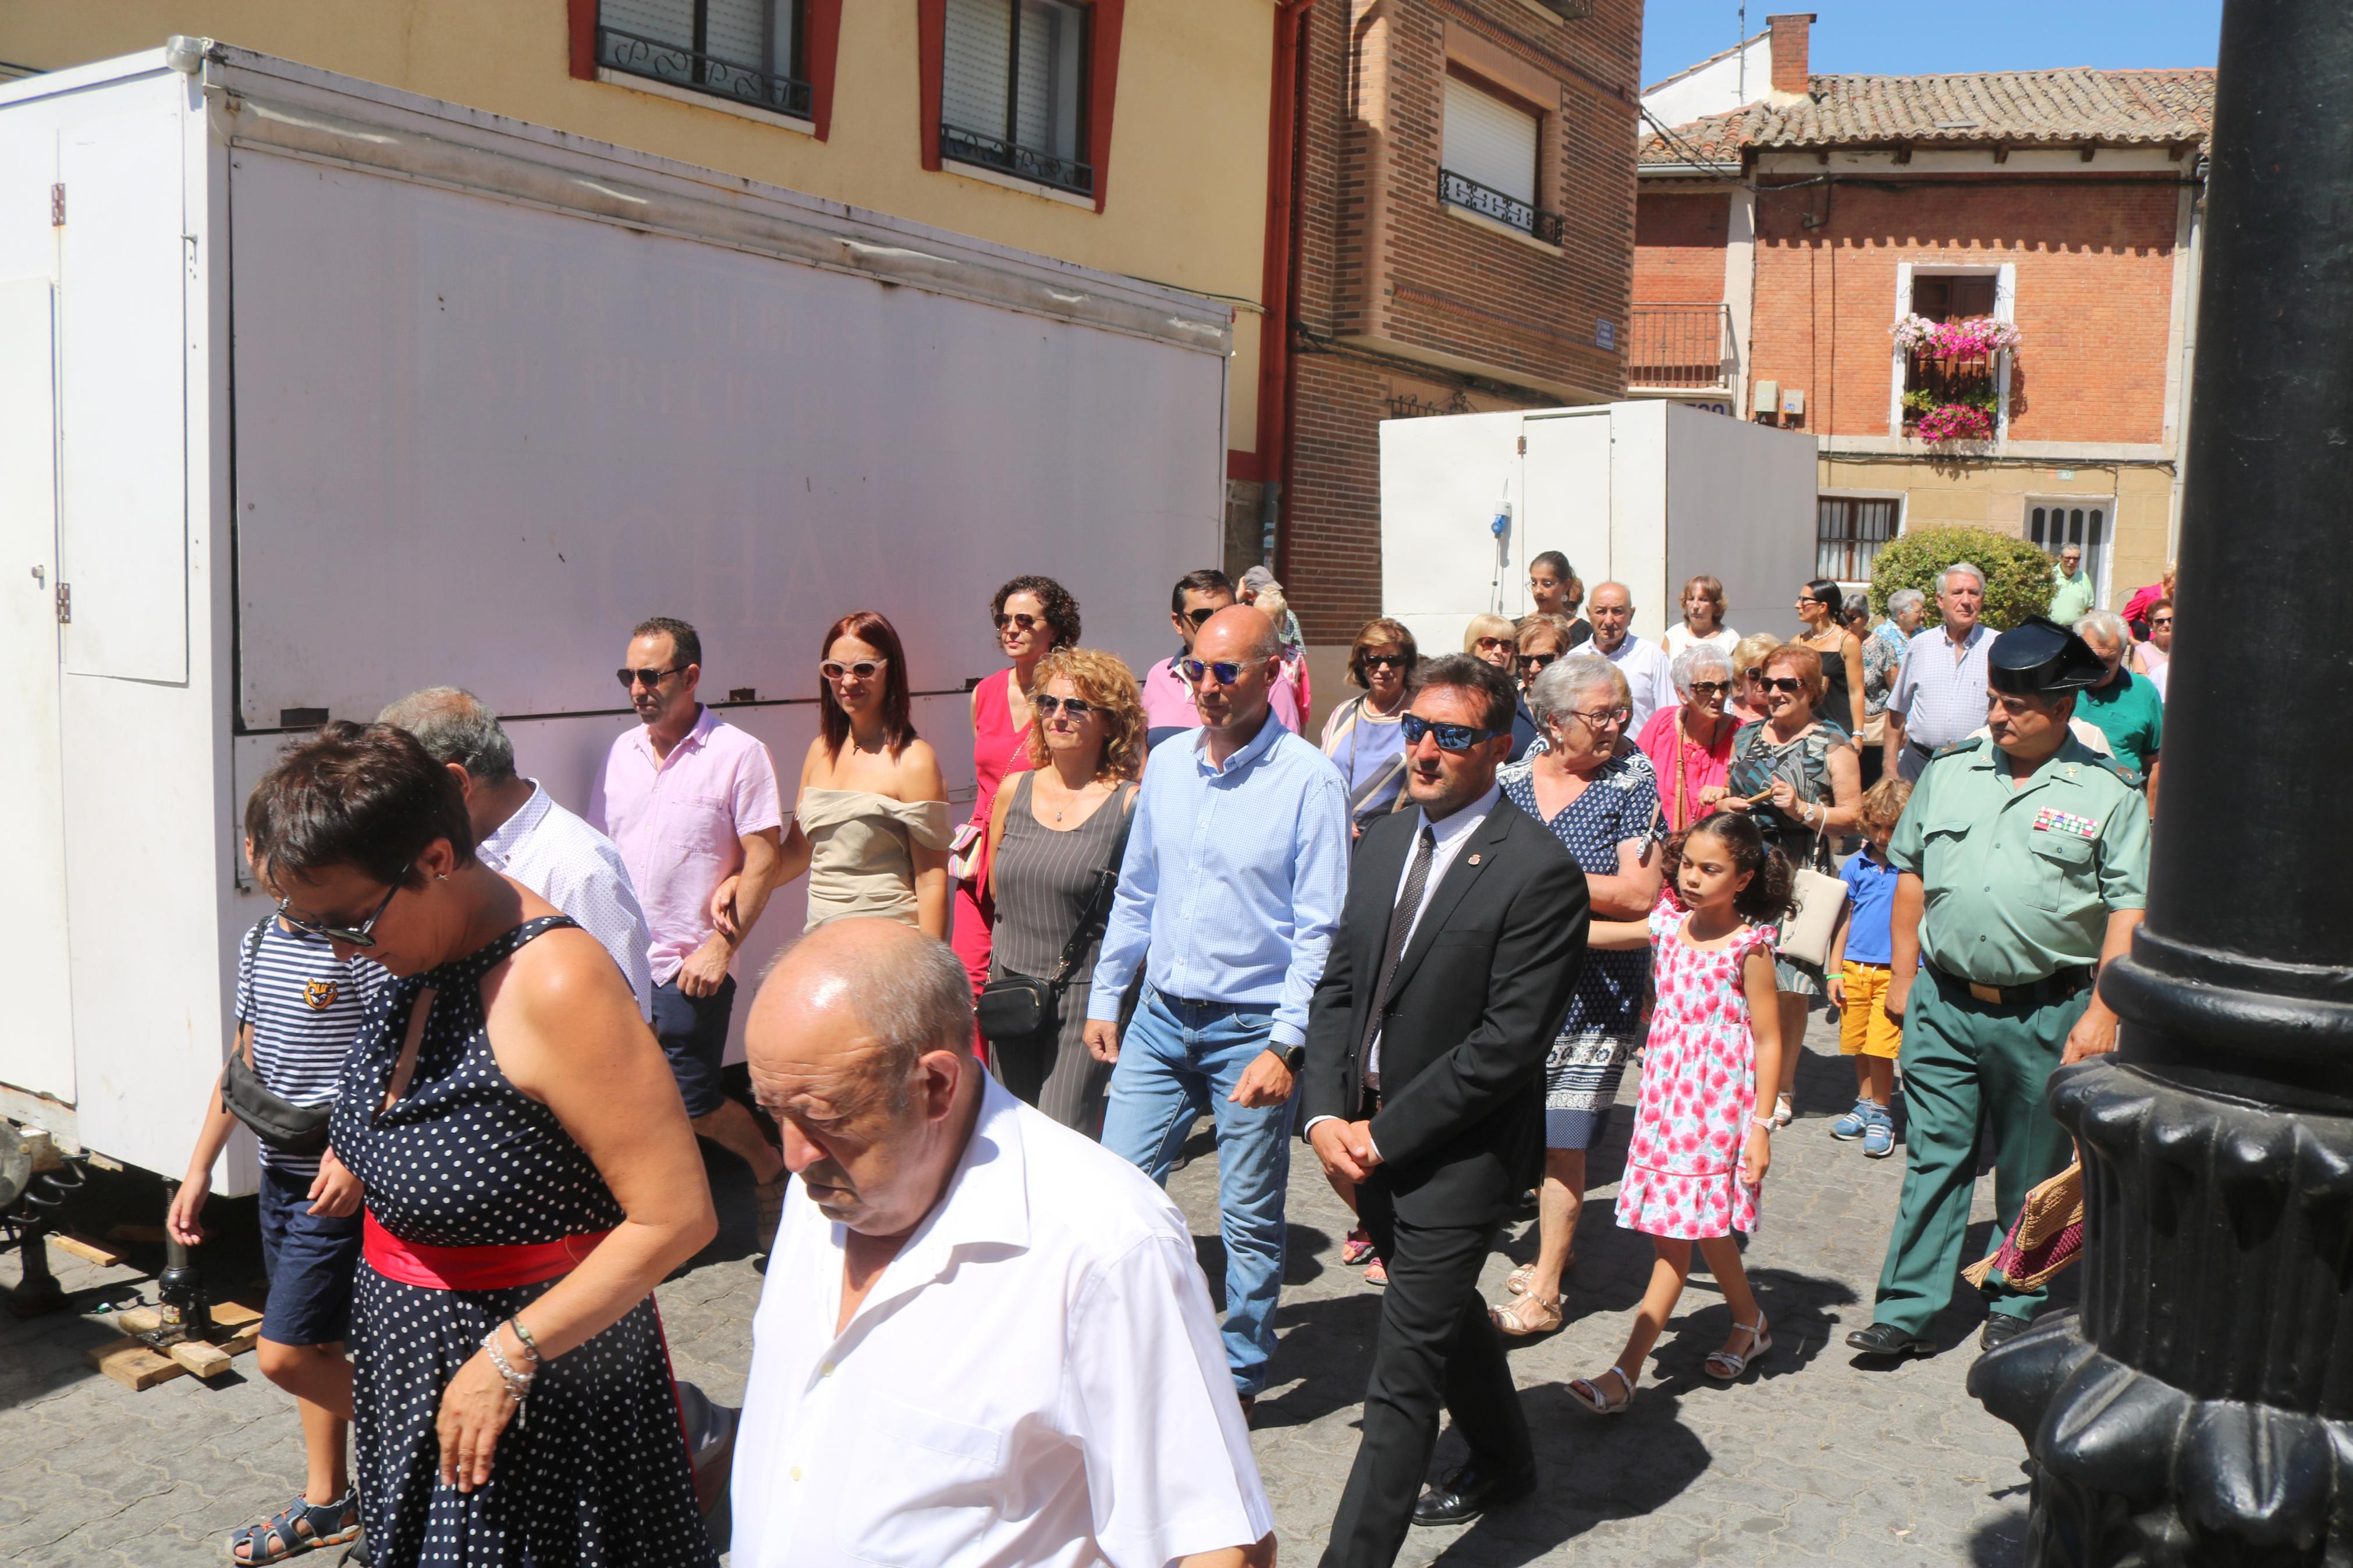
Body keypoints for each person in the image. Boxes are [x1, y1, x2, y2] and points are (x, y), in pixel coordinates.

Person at [253, 723, 718, 1567]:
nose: (338, 949)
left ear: (435, 858)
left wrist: (507, 1353)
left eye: (350, 922)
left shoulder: (555, 981)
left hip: (543, 1407)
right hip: (422, 1380)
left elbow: (679, 1216)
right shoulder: (419, 948)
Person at [730, 920, 1275, 1567]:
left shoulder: (1105, 1247)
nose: (792, 1156)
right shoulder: (821, 1182)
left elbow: (1217, 1543)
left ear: (934, 1086)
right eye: (772, 1111)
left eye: (823, 1116)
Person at [1300, 653, 1588, 1555]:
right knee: (1444, 1313)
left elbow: (1505, 1043)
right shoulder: (1385, 838)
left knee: (1400, 1376)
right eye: (1416, 730)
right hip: (1357, 1135)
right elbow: (1338, 986)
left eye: (1450, 735)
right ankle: (1506, 1459)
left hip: (1456, 1156)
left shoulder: (1538, 871)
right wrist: (1320, 1116)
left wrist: (1382, 1136)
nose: (1423, 749)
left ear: (1498, 746)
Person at [1847, 618, 2150, 1360]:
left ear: (2061, 706)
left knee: (2032, 1167)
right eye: (1992, 699)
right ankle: (1907, 1307)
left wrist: (2102, 1013)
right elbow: (1910, 873)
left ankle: (2017, 1299)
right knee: (1934, 1158)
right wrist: (1904, 977)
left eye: (2014, 705)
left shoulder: (2107, 792)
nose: (1995, 716)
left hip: (2048, 1011)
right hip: (1943, 1004)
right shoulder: (1949, 772)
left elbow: (2128, 910)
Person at [1085, 605, 1351, 1405]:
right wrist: (1109, 994)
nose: (1204, 685)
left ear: (1273, 672)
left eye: (1224, 670)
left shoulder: (1310, 780)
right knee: (1115, 1187)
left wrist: (1287, 1042)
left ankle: (1237, 1369)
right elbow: (1136, 891)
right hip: (1161, 1016)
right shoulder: (1165, 764)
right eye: (1191, 667)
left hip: (1250, 1026)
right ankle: (1125, 1343)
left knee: (1245, 1209)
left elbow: (1319, 928)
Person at [169, 895, 381, 1565]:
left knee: (282, 1353)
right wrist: (198, 1170)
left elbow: (395, 1054)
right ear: (258, 854)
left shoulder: (354, 945)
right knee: (317, 1341)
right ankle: (330, 1502)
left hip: (335, 1183)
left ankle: (448, 1439)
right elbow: (241, 1063)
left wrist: (354, 1148)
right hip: (280, 1176)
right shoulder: (261, 938)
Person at [1565, 813, 1790, 1413]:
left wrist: (1761, 1129)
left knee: (1674, 1242)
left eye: (1709, 869)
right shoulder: (1667, 923)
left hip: (1717, 1112)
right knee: (1706, 1224)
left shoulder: (1749, 948)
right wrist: (1526, 917)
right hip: (1665, 1103)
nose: (1691, 878)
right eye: (1687, 863)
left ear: (1741, 879)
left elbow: (1768, 1041)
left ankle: (1624, 1371)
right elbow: (1594, 935)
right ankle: (1749, 1320)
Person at [591, 616, 789, 1232]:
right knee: (628, 1105)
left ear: (692, 676)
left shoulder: (738, 753)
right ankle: (665, 1223)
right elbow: (601, 851)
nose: (637, 688)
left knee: (692, 1102)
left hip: (687, 964)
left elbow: (764, 856)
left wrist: (720, 947)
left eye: (651, 675)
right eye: (629, 675)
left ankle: (766, 1164)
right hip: (619, 962)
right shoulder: (621, 751)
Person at [1488, 656, 1663, 1339]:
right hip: (1509, 988)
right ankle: (1538, 1254)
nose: (1617, 725)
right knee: (1515, 1127)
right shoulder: (1507, 774)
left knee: (1565, 1138)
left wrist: (1534, 884)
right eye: (1600, 714)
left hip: (1594, 992)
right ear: (1552, 720)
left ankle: (1550, 1290)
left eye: (1621, 711)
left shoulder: (1631, 774)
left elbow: (1638, 893)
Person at [380, 687, 654, 1019]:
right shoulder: (456, 851)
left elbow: (624, 1030)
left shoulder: (581, 872)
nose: (395, 817)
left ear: (456, 785)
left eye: (402, 797)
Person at [984, 646, 1147, 1132]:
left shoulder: (1130, 805)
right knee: (1008, 1132)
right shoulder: (1014, 790)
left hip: (1085, 998)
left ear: (1109, 720)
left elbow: (1137, 914)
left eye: (1076, 705)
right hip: (1010, 986)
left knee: (1060, 1134)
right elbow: (997, 890)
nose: (1058, 715)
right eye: (1048, 703)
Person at [1723, 644, 1862, 1128]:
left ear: (1813, 691)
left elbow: (1853, 816)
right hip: (1744, 867)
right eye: (1767, 681)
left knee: (1787, 986)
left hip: (1800, 873)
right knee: (1739, 976)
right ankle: (1743, 1077)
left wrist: (1803, 809)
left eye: (1788, 684)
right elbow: (1732, 791)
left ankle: (1781, 1087)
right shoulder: (1745, 737)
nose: (1774, 692)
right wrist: (1726, 803)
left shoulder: (1831, 743)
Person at [776, 612, 954, 937]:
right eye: (835, 670)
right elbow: (796, 853)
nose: (847, 682)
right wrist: (740, 884)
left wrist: (931, 979)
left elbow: (931, 882)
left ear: (891, 672)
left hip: (888, 950)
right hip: (821, 946)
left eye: (864, 670)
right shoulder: (820, 750)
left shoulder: (914, 761)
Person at [950, 575, 1080, 1004]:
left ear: (1056, 629)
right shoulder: (984, 692)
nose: (1011, 629)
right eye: (1004, 620)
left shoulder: (1069, 699)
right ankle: (972, 1072)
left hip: (1037, 855)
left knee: (1021, 985)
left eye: (1025, 620)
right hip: (981, 855)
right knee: (967, 985)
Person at [1825, 777, 1913, 1159]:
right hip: (1853, 969)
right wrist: (1834, 970)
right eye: (1876, 826)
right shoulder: (1856, 866)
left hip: (1892, 973)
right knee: (1858, 1042)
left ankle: (1882, 1110)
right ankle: (1865, 1102)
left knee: (1881, 1046)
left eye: (1893, 828)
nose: (1882, 836)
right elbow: (1842, 919)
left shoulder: (1913, 869)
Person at [1142, 568, 1302, 746]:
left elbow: (1286, 752)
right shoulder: (1159, 676)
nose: (1215, 623)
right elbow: (1143, 754)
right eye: (1201, 616)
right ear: (1178, 623)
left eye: (1224, 614)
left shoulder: (1263, 679)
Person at [1884, 563, 1994, 783]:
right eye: (1957, 593)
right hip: (1918, 763)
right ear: (1940, 600)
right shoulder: (1920, 646)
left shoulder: (1997, 646)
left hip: (1976, 765)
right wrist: (1889, 767)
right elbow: (1897, 711)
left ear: (1981, 600)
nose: (1966, 601)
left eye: (1973, 593)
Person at [1320, 618, 1418, 839]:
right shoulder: (1343, 714)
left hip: (1397, 841)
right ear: (1361, 664)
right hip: (1338, 836)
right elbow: (1323, 777)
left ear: (1407, 664)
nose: (1383, 669)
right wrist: (1339, 817)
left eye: (1394, 660)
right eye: (1373, 660)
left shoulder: (1420, 716)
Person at [1637, 644, 1741, 833]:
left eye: (1724, 687)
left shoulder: (1741, 735)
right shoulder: (1661, 724)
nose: (1718, 696)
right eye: (1706, 688)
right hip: (1658, 846)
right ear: (1682, 693)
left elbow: (1749, 792)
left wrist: (1726, 794)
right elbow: (1633, 777)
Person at [2072, 609, 2164, 801]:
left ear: (2123, 652)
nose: (2099, 667)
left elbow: (2155, 762)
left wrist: (2149, 816)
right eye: (2092, 658)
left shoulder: (2144, 692)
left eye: (2108, 660)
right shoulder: (2058, 686)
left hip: (2120, 803)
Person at [1587, 582, 1677, 732]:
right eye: (1601, 612)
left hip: (1639, 753)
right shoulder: (1575, 659)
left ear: (1631, 614)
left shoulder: (1652, 657)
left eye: (1617, 612)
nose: (1609, 621)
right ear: (1589, 614)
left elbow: (1669, 719)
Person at [1862, 591, 1927, 789]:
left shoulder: (1923, 634)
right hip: (1892, 717)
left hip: (1920, 713)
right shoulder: (1881, 637)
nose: (1924, 615)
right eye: (1919, 611)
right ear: (1902, 614)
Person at [1794, 577, 1866, 744]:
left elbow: (1856, 691)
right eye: (1799, 600)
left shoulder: (1847, 642)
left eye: (1805, 601)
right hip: (1804, 731)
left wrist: (1857, 734)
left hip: (1839, 731)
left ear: (1823, 607)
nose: (1798, 605)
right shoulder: (1797, 642)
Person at [1241, 565, 1314, 720]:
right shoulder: (1244, 655)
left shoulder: (1295, 660)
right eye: (1261, 620)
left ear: (1284, 622)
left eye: (1273, 622)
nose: (1267, 627)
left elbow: (1303, 707)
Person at [1466, 614, 1539, 761]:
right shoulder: (1460, 689)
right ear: (1473, 646)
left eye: (1506, 645)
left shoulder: (1518, 696)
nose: (1499, 651)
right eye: (1489, 643)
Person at [1661, 574, 1740, 660]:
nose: (1695, 606)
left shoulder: (1730, 639)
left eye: (1703, 600)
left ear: (1716, 605)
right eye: (1691, 599)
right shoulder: (1674, 635)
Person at [1525, 550, 1592, 646]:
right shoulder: (1519, 628)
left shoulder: (1585, 635)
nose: (1538, 590)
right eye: (1534, 583)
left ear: (1565, 586)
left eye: (1547, 584)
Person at [1727, 632, 1783, 727]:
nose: (1763, 680)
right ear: (1740, 675)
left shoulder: (1784, 712)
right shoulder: (1722, 710)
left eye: (1768, 674)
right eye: (1755, 673)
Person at [2130, 598, 2174, 696]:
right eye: (2160, 621)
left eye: (2171, 620)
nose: (2166, 625)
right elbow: (2141, 683)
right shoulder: (2142, 650)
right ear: (2151, 625)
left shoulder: (2184, 649)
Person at [2123, 561, 2176, 640]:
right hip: (2145, 644)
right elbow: (2124, 620)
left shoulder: (2181, 600)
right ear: (2169, 577)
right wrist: (2132, 640)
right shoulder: (2147, 594)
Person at [2047, 543, 2096, 625]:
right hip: (2051, 629)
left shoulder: (2083, 578)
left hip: (2075, 630)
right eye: (2068, 558)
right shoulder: (2050, 575)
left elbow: (2089, 608)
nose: (2072, 562)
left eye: (2076, 559)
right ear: (2060, 558)